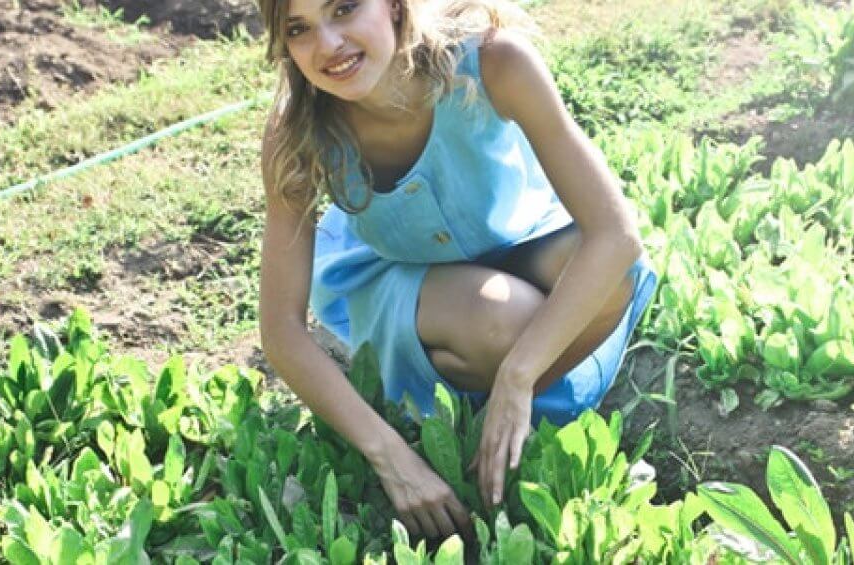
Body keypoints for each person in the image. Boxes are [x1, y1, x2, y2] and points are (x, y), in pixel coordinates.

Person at [255, 0, 657, 542]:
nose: (327, 45)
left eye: (344, 9)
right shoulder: (299, 131)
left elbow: (616, 234)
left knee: (612, 277)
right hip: (404, 278)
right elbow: (280, 328)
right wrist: (391, 456)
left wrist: (518, 377)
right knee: (503, 318)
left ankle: (498, 397)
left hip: (520, 240)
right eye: (299, 30)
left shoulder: (494, 62)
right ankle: (467, 390)